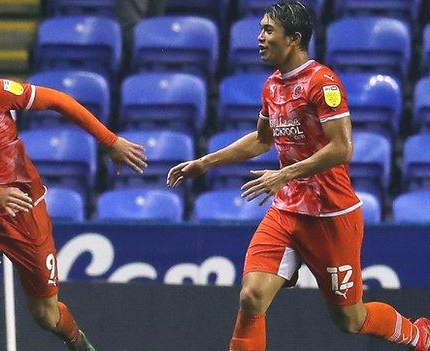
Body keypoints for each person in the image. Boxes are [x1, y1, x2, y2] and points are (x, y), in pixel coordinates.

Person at [167, 2, 430, 350]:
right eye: (260, 29)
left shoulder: (322, 82)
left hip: (331, 216)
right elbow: (263, 139)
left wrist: (284, 173)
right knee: (251, 297)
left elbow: (342, 148)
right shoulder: (272, 85)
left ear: (293, 38)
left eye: (268, 30)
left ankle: (418, 334)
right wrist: (206, 161)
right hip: (287, 210)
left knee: (351, 321)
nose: (259, 38)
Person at [0, 35, 148, 351]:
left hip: (27, 213)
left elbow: (59, 101)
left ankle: (79, 343)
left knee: (46, 316)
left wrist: (109, 141)